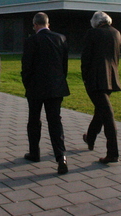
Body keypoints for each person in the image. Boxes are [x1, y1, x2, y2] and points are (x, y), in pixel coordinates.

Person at [21, 12, 70, 174]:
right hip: (56, 87)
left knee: (34, 120)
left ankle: (34, 152)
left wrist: (27, 84)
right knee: (55, 122)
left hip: (36, 87)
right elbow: (64, 66)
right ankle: (61, 156)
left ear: (35, 25)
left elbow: (26, 67)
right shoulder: (61, 38)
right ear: (48, 24)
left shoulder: (31, 41)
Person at [81, 10, 121, 164]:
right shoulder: (116, 33)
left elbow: (86, 58)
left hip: (96, 79)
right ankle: (90, 138)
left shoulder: (92, 33)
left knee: (107, 115)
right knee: (101, 111)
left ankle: (113, 153)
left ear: (96, 22)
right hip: (111, 77)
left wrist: (85, 77)